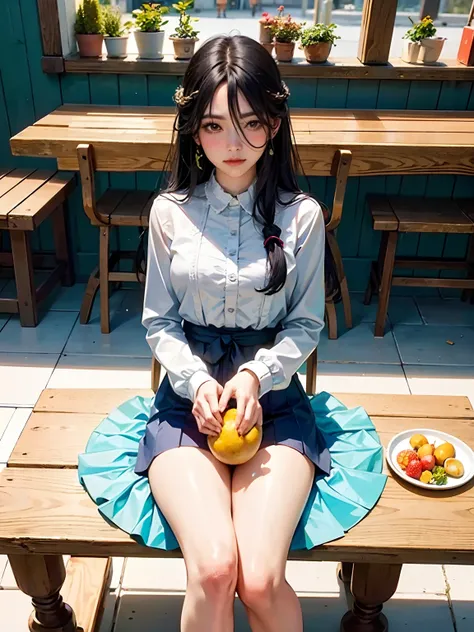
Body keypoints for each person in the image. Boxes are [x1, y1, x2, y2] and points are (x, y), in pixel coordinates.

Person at [79, 35, 386, 632]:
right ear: (193, 129)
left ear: (274, 122)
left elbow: (305, 324)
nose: (234, 144)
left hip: (275, 402)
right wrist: (194, 380)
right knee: (216, 568)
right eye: (215, 126)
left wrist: (256, 373)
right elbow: (159, 323)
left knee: (262, 579)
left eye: (250, 124)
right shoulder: (170, 211)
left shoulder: (303, 216)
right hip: (184, 404)